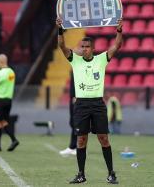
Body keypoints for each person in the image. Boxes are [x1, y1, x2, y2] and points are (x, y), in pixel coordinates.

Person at [56, 17, 123, 184]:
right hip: (81, 105)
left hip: (98, 104)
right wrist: (60, 30)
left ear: (93, 49)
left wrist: (119, 31)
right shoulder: (75, 60)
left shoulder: (101, 59)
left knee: (104, 138)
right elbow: (62, 46)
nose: (84, 49)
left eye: (87, 47)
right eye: (82, 46)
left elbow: (117, 46)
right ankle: (81, 174)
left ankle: (111, 173)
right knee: (81, 139)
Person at [0, 54, 19, 152]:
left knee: (1, 121)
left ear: (1, 62)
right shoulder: (11, 72)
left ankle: (13, 140)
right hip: (8, 100)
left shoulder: (0, 73)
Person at [59, 72, 77, 156]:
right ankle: (72, 146)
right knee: (73, 123)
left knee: (77, 124)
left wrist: (76, 96)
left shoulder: (80, 66)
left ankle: (78, 147)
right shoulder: (74, 65)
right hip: (72, 98)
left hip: (77, 98)